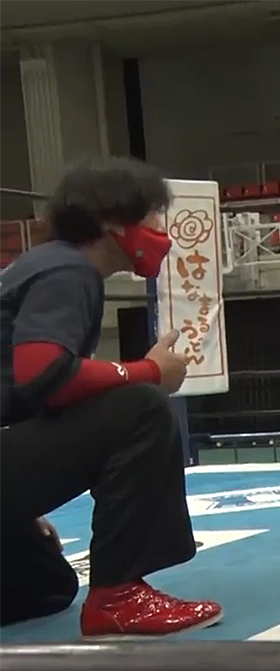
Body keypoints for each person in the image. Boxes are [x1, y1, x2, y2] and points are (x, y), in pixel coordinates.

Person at [0, 156, 222, 637]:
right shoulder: (67, 270)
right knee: (141, 408)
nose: (160, 228)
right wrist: (149, 372)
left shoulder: (44, 265)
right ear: (112, 221)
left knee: (45, 585)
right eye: (152, 214)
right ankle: (118, 597)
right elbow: (43, 374)